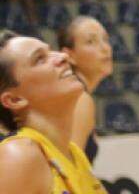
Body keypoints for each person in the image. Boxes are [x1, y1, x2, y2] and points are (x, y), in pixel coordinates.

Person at [0, 30, 106, 194]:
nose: (62, 57)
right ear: (15, 100)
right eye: (40, 59)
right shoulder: (20, 155)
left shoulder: (75, 155)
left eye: (50, 51)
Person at [58, 17, 114, 164]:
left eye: (105, 40)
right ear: (70, 55)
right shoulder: (79, 98)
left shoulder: (73, 92)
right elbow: (68, 169)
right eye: (91, 42)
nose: (105, 48)